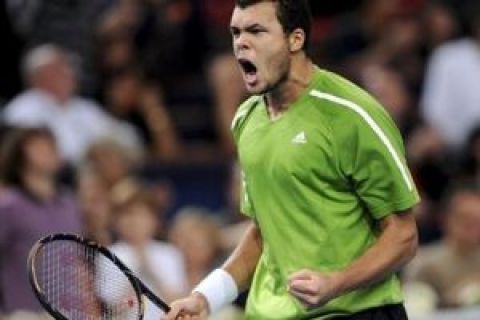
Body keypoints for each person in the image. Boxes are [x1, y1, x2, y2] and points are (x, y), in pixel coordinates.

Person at [166, 1, 420, 319]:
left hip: (355, 313)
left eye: (256, 31)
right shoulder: (246, 119)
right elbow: (263, 232)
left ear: (295, 40)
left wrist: (336, 283)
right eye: (236, 32)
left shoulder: (351, 115)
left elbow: (403, 235)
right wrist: (205, 297)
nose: (241, 42)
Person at [3, 44, 140, 163]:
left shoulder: (84, 107)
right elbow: (20, 152)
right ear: (36, 77)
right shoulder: (23, 107)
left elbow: (125, 137)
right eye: (58, 70)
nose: (68, 74)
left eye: (68, 68)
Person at [0, 128, 81, 314]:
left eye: (51, 146)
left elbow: (77, 260)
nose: (48, 151)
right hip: (21, 313)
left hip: (68, 312)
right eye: (38, 146)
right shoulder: (7, 206)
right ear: (19, 155)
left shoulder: (69, 204)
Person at [403, 186, 480, 310]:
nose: (473, 227)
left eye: (477, 220)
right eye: (466, 219)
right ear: (446, 219)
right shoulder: (425, 262)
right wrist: (451, 299)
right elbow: (414, 305)